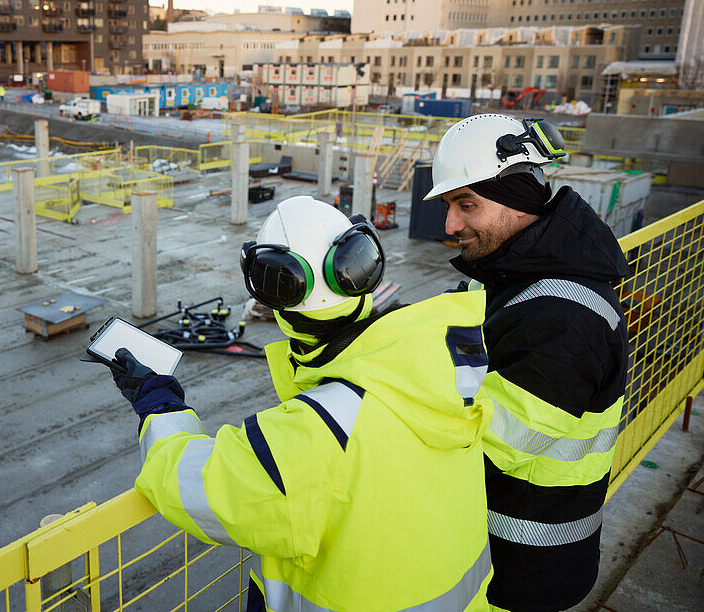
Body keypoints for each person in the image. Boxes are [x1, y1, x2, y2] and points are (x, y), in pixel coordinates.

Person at [96, 196, 495, 611]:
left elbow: (191, 484)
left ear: (275, 294)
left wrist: (158, 403)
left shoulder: (320, 428)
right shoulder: (446, 370)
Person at [424, 114, 629, 612]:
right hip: (501, 549)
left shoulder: (564, 319)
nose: (450, 226)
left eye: (466, 204)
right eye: (450, 205)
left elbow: (486, 446)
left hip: (523, 569)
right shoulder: (506, 275)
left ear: (520, 200)